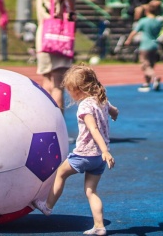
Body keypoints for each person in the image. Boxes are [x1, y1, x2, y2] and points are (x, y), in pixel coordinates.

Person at [32, 64, 119, 236]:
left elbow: (93, 130)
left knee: (61, 173)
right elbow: (112, 110)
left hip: (85, 154)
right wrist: (114, 113)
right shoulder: (101, 100)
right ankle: (99, 226)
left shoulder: (85, 107)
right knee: (91, 191)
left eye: (71, 90)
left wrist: (105, 151)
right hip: (97, 159)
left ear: (79, 89)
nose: (70, 94)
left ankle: (47, 206)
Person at [35, 0, 76, 113]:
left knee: (47, 81)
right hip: (59, 39)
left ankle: (45, 121)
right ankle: (58, 128)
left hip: (44, 38)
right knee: (58, 85)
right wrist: (72, 10)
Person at [124, 0, 163, 92]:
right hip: (154, 44)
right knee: (150, 65)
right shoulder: (158, 22)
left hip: (145, 45)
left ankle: (155, 77)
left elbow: (135, 31)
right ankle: (146, 84)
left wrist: (128, 40)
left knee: (145, 65)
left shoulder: (143, 21)